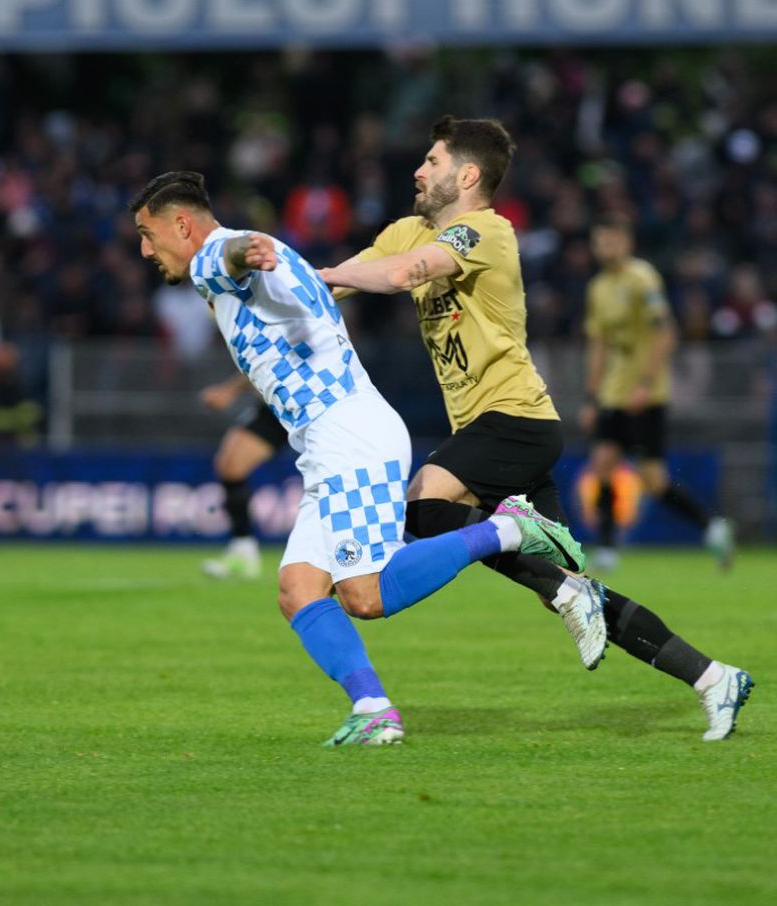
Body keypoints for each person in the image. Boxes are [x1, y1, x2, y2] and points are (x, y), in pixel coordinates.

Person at [319, 116, 753, 741]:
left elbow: (398, 275)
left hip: (516, 418)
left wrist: (327, 277)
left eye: (432, 161)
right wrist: (267, 283)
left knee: (421, 504)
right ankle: (714, 677)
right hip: (490, 430)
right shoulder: (407, 230)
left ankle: (521, 540)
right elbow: (340, 280)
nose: (418, 170)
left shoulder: (486, 232)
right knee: (572, 590)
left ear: (467, 175)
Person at [130, 170, 599, 747]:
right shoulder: (259, 259)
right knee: (298, 589)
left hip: (348, 435)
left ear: (182, 224)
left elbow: (225, 258)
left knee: (365, 596)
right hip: (327, 442)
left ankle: (509, 528)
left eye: (148, 233)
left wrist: (237, 251)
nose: (145, 249)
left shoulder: (218, 256)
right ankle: (373, 708)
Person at [580, 213, 735, 571]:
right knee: (603, 465)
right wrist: (592, 397)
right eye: (600, 240)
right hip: (612, 393)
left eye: (612, 239)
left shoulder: (642, 278)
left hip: (645, 396)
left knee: (652, 480)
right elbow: (598, 346)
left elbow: (666, 334)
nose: (606, 247)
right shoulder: (598, 288)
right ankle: (606, 548)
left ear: (627, 242)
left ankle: (711, 527)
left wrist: (645, 384)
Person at [198, 372, 286, 580]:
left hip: (310, 402)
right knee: (230, 466)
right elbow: (258, 362)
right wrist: (230, 389)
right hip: (275, 405)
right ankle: (243, 551)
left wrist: (228, 390)